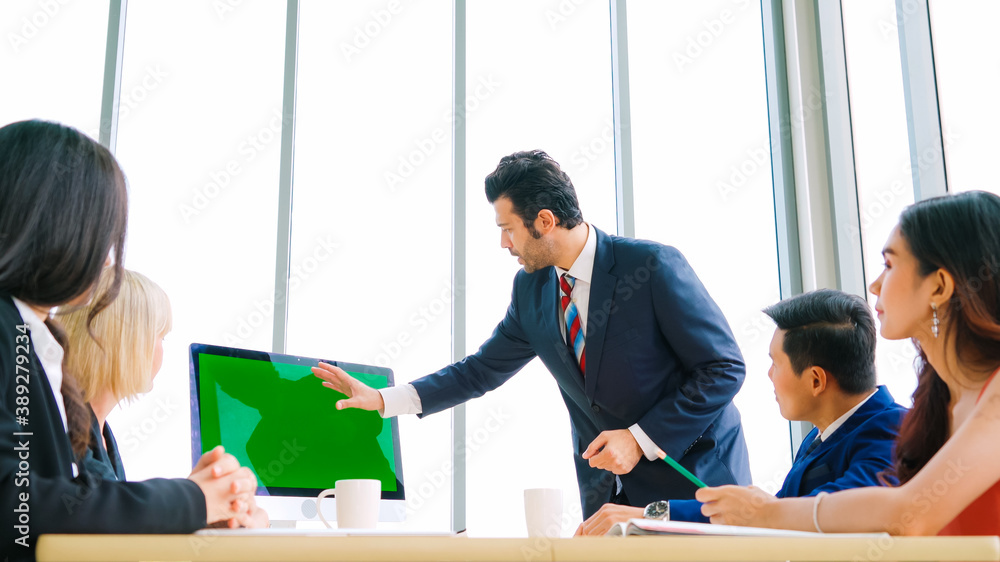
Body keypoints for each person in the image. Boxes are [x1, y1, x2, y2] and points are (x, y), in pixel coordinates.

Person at [313, 150, 751, 517]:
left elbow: (723, 368)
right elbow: (480, 371)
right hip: (611, 498)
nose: (505, 244)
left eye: (508, 229)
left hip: (698, 482)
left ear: (544, 220)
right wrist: (385, 399)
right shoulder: (533, 289)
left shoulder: (651, 266)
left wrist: (639, 439)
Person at [0, 120, 264, 561]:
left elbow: (69, 502)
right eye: (100, 233)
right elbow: (17, 508)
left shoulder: (37, 342)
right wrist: (189, 501)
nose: (107, 258)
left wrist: (198, 503)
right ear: (50, 224)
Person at [696, 191, 1000, 535]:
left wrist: (766, 512)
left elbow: (910, 513)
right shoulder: (936, 402)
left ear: (939, 286)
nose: (875, 284)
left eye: (889, 264)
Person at [576, 289, 906, 535]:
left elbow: (825, 513)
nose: (769, 375)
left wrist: (649, 516)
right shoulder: (821, 439)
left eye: (775, 363)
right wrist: (648, 515)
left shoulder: (892, 431)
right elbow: (766, 516)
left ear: (816, 380)